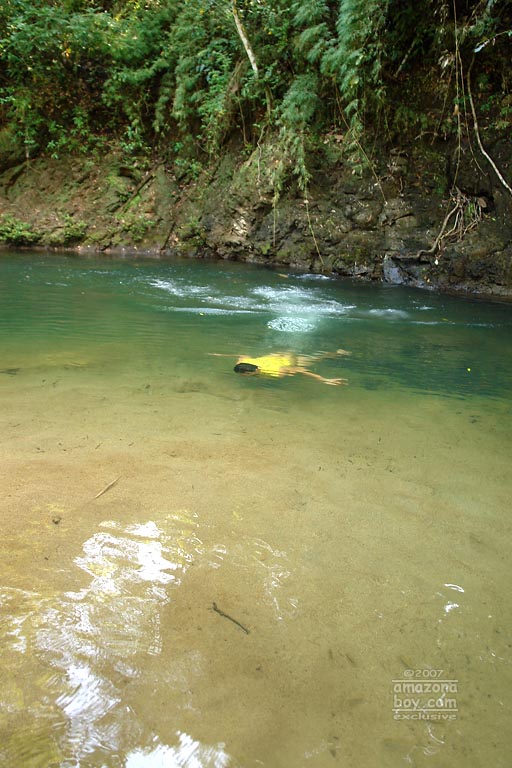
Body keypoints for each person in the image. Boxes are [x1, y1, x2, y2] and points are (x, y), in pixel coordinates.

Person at [209, 349, 350, 385]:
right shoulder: (243, 363)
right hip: (279, 355)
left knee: (317, 358)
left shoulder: (275, 372)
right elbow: (242, 354)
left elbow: (299, 370)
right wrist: (219, 355)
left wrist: (323, 379)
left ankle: (337, 353)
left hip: (291, 360)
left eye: (245, 375)